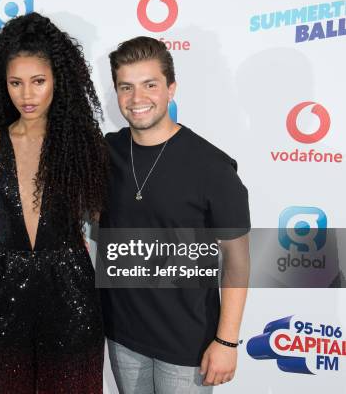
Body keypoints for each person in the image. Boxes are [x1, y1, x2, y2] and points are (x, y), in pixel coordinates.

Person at [100, 36, 250, 393]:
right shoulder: (108, 153)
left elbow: (237, 262)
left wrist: (227, 342)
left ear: (171, 89)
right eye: (126, 87)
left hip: (187, 345)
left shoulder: (212, 167)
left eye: (150, 85)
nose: (137, 99)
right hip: (123, 336)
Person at [0, 12, 108, 393]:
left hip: (70, 291)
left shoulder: (82, 146)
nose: (26, 95)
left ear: (58, 82)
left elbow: (103, 215)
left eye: (38, 82)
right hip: (7, 290)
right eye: (16, 83)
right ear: (3, 84)